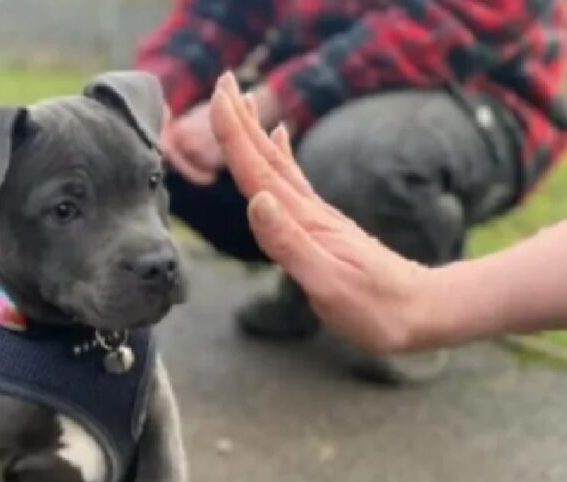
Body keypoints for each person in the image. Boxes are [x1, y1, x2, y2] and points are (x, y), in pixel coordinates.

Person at [135, 0, 567, 382]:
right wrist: (150, 109)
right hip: (325, 86)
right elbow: (218, 15)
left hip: (478, 90)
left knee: (355, 158)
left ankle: (417, 290)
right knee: (149, 152)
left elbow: (451, 21)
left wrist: (268, 103)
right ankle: (315, 286)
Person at [209, 71, 567, 355]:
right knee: (184, 143)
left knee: (355, 155)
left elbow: (436, 27)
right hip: (339, 81)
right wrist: (163, 106)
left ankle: (424, 261)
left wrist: (429, 303)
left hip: (487, 94)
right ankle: (315, 289)